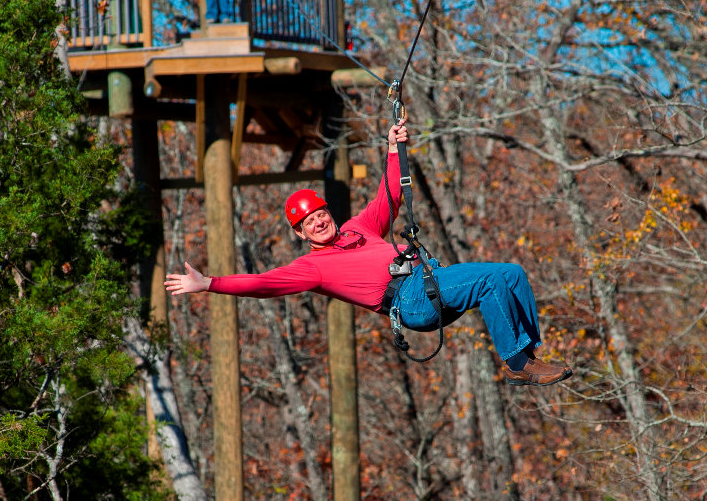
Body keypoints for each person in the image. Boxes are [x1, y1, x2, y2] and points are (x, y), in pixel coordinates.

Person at [164, 119, 573, 386]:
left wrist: (393, 147)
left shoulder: (360, 227)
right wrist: (210, 284)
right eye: (310, 223)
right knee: (488, 279)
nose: (320, 223)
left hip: (426, 280)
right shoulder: (313, 267)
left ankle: (528, 354)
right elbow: (264, 284)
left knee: (512, 272)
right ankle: (517, 363)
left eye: (321, 214)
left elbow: (391, 192)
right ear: (302, 234)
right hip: (411, 301)